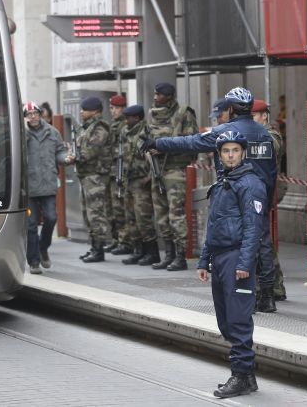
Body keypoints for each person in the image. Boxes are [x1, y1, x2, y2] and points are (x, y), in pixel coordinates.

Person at [141, 87, 278, 312]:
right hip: (258, 195)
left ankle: (245, 297)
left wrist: (158, 143)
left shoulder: (225, 131)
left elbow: (191, 142)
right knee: (261, 243)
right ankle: (268, 296)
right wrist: (267, 199)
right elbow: (271, 171)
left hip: (232, 196)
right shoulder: (264, 133)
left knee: (236, 246)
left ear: (231, 108)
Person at [197, 131, 265, 399]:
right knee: (225, 321)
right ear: (220, 155)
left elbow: (253, 228)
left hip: (238, 257)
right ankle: (247, 375)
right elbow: (213, 225)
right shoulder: (223, 182)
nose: (230, 155)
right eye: (226, 151)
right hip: (220, 258)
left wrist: (245, 263)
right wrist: (204, 260)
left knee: (237, 320)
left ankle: (241, 374)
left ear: (243, 153)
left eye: (235, 150)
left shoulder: (250, 184)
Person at [146, 82, 199, 271]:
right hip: (157, 170)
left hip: (175, 170)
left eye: (159, 94)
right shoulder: (153, 115)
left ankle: (180, 256)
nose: (155, 97)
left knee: (176, 214)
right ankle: (168, 254)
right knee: (161, 215)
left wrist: (162, 146)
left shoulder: (184, 113)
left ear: (168, 96)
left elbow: (191, 142)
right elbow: (146, 138)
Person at [23, 101, 74, 274]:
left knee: (51, 218)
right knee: (31, 225)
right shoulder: (21, 134)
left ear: (40, 114)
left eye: (35, 113)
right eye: (29, 114)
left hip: (48, 184)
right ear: (24, 118)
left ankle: (43, 247)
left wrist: (65, 158)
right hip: (28, 187)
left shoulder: (52, 132)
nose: (33, 116)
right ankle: (34, 261)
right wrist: (23, 132)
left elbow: (59, 151)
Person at [250, 99, 287, 302]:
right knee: (264, 242)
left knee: (261, 242)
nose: (250, 121)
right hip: (253, 194)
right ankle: (276, 285)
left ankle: (270, 287)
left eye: (253, 117)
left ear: (264, 116)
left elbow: (272, 148)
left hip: (263, 195)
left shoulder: (272, 134)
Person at [71, 96, 111, 263]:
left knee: (96, 213)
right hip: (86, 175)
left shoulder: (100, 127)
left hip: (96, 175)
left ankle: (99, 249)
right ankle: (94, 246)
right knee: (87, 213)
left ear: (94, 111)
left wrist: (75, 156)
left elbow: (91, 151)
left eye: (84, 109)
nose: (81, 112)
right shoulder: (85, 127)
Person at [119, 105, 159, 266]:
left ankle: (152, 252)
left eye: (128, 117)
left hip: (142, 181)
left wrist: (150, 176)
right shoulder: (125, 132)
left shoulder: (146, 131)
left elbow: (153, 157)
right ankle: (138, 250)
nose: (126, 120)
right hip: (129, 180)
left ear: (136, 118)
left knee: (143, 218)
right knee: (131, 218)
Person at [104, 95, 131, 256]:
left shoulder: (124, 126)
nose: (113, 111)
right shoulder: (113, 125)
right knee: (112, 209)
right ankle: (116, 239)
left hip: (120, 171)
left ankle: (125, 241)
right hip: (111, 171)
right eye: (112, 108)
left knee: (120, 208)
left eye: (115, 108)